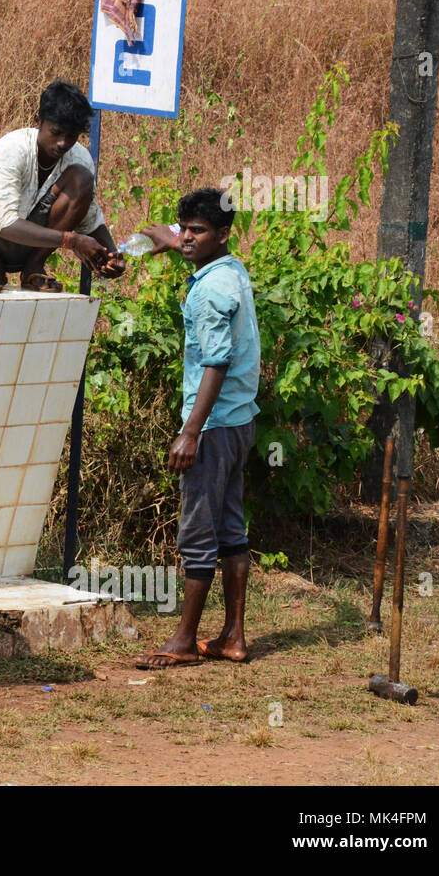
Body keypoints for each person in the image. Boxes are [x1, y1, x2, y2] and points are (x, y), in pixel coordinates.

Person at [133, 187, 260, 669]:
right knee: (230, 528)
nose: (186, 238)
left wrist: (190, 431)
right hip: (239, 421)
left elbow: (216, 362)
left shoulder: (209, 291)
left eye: (197, 231)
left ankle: (184, 641)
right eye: (182, 228)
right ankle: (233, 637)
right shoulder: (230, 270)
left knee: (198, 533)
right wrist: (174, 239)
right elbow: (192, 242)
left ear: (223, 234)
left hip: (212, 426)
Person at [0, 79, 125, 293]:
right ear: (38, 121)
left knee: (81, 178)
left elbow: (90, 220)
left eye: (71, 136)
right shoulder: (13, 148)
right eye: (56, 132)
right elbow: (4, 224)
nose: (63, 143)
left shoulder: (79, 158)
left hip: (33, 246)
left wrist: (111, 254)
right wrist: (71, 240)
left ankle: (33, 268)